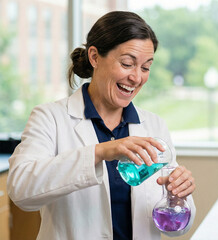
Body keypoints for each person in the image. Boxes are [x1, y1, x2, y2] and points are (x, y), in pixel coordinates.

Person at [7, 11, 196, 240]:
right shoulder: (50, 118)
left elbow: (175, 227)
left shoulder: (154, 126)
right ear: (95, 57)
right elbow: (21, 190)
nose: (136, 78)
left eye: (145, 68)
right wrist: (99, 152)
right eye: (127, 63)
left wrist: (178, 196)